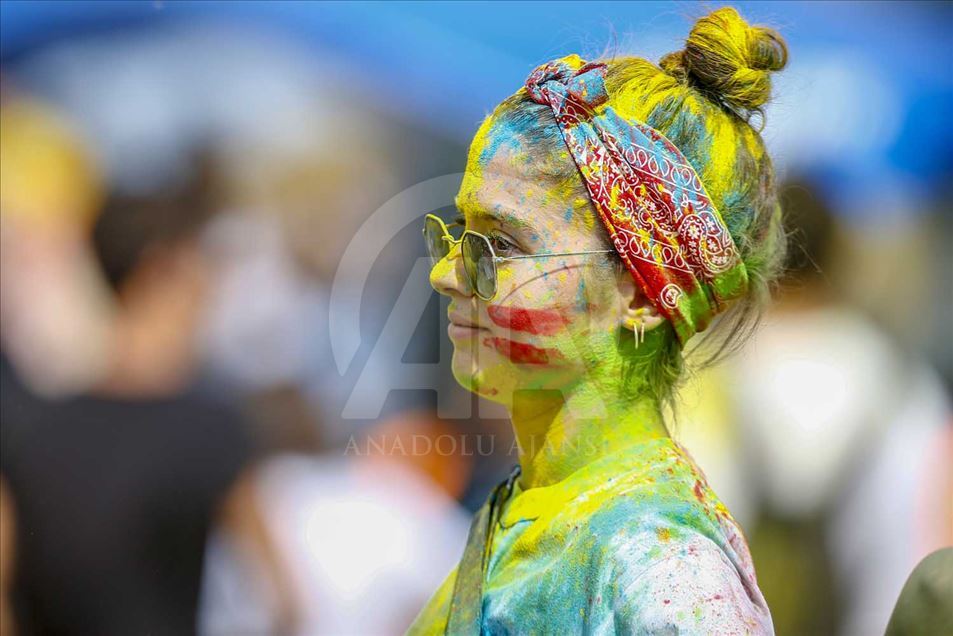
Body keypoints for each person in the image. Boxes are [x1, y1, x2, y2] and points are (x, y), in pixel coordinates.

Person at [410, 7, 787, 634]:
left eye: (500, 246)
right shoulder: (523, 510)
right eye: (458, 233)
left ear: (640, 293)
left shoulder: (666, 574)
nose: (445, 274)